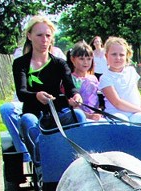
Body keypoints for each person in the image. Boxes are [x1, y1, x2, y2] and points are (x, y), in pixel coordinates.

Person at [7, 16, 84, 159]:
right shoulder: (20, 63)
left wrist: (75, 96)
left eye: (48, 35)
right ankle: (42, 163)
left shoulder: (60, 63)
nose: (44, 40)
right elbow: (22, 93)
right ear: (29, 36)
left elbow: (70, 88)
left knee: (79, 115)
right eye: (39, 35)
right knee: (28, 120)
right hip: (34, 113)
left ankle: (76, 158)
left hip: (58, 113)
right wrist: (36, 96)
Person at [99, 37, 141, 124]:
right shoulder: (105, 77)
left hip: (135, 112)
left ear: (127, 56)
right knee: (121, 122)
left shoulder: (131, 71)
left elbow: (135, 91)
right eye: (114, 54)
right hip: (116, 113)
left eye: (121, 55)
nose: (118, 58)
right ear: (106, 56)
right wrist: (140, 110)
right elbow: (117, 102)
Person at [66, 41, 102, 121]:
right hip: (78, 117)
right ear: (72, 59)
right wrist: (89, 116)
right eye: (81, 59)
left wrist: (98, 112)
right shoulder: (69, 79)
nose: (86, 62)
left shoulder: (94, 78)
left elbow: (98, 100)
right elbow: (72, 104)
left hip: (95, 116)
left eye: (89, 59)